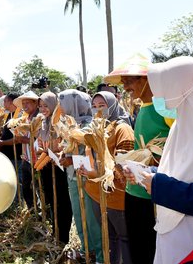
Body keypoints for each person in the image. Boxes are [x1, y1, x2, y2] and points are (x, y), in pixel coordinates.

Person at [104, 53, 173, 264]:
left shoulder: (166, 108)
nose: (125, 88)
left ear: (146, 80)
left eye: (129, 81)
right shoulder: (143, 107)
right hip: (134, 189)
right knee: (137, 250)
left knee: (149, 251)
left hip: (153, 192)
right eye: (123, 82)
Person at [143, 56, 193, 264]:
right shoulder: (179, 127)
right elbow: (177, 172)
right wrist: (149, 175)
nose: (159, 100)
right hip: (171, 236)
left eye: (165, 94)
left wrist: (160, 186)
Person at [79, 91, 134, 264]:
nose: (97, 110)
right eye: (94, 107)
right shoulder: (95, 128)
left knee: (124, 237)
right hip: (97, 192)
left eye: (101, 106)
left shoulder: (121, 129)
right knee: (109, 237)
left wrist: (97, 173)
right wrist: (86, 168)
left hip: (117, 195)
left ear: (112, 105)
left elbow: (123, 167)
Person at [57, 89, 103, 263]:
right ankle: (86, 250)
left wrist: (72, 161)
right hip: (73, 178)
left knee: (92, 221)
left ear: (73, 104)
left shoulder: (90, 127)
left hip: (88, 180)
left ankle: (100, 255)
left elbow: (96, 159)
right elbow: (67, 150)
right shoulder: (69, 125)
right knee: (79, 216)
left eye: (63, 103)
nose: (60, 107)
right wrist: (64, 156)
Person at [36, 92, 73, 244]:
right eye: (40, 106)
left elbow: (67, 145)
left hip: (59, 167)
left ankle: (63, 235)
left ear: (53, 105)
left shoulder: (61, 123)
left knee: (62, 201)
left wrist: (56, 153)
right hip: (46, 167)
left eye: (46, 105)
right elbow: (39, 144)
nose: (43, 109)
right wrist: (42, 151)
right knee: (51, 200)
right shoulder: (42, 123)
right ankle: (55, 231)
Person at [12, 91, 40, 211]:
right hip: (26, 159)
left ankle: (44, 213)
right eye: (23, 103)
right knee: (26, 189)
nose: (25, 106)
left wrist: (26, 140)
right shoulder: (25, 118)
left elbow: (41, 139)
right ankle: (33, 212)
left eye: (28, 103)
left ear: (35, 103)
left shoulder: (40, 118)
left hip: (37, 161)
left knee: (39, 189)